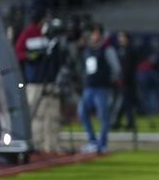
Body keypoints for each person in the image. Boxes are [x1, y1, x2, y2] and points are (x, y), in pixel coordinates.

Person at [27, 17, 71, 153]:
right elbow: (27, 53)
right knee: (38, 115)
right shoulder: (38, 43)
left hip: (50, 82)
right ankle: (37, 143)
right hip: (38, 83)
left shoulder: (56, 46)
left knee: (52, 115)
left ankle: (51, 144)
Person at [78, 23, 120, 153]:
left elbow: (116, 68)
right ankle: (92, 141)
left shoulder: (107, 49)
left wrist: (109, 81)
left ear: (100, 34)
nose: (92, 36)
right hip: (89, 87)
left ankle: (102, 144)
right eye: (91, 33)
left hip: (102, 88)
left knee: (103, 116)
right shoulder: (88, 49)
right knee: (82, 113)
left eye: (95, 33)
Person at [112, 30, 138, 132]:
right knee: (123, 102)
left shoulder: (131, 50)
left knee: (125, 103)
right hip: (121, 80)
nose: (120, 39)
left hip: (128, 81)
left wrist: (124, 78)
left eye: (122, 37)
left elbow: (130, 67)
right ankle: (124, 123)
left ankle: (123, 123)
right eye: (119, 37)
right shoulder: (119, 50)